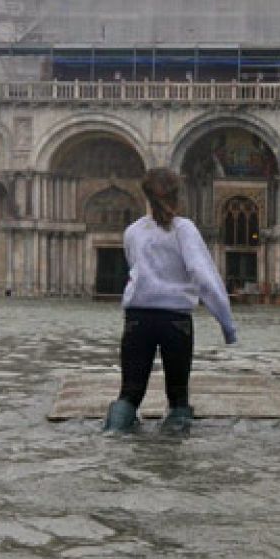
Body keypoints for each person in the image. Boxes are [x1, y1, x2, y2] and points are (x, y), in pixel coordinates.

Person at [103, 167, 238, 436]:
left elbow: (134, 270)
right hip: (175, 320)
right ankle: (173, 449)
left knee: (130, 392)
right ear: (178, 194)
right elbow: (204, 277)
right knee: (178, 396)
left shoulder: (132, 232)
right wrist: (227, 325)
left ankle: (112, 435)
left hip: (137, 318)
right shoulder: (184, 230)